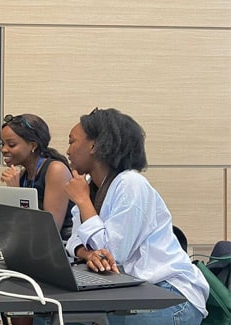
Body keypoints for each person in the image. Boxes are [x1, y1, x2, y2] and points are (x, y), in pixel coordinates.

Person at [63, 108, 209, 324]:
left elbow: (113, 253)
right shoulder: (91, 187)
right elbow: (75, 241)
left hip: (172, 296)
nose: (67, 151)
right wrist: (88, 254)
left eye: (72, 141)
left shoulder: (131, 184)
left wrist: (83, 202)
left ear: (94, 146)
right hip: (134, 290)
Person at [0, 113, 74, 240]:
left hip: (64, 252)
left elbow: (50, 230)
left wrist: (16, 193)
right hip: (33, 248)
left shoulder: (56, 170)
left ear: (33, 146)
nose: (3, 150)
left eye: (11, 144)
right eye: (2, 144)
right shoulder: (24, 174)